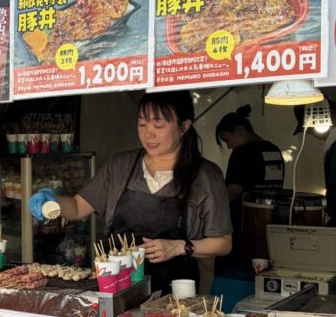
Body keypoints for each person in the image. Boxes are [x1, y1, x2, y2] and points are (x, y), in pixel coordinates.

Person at [28, 90, 233, 295]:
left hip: (177, 292)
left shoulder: (206, 176)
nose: (148, 134)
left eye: (158, 125)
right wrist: (51, 200)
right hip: (118, 289)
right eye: (142, 124)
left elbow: (223, 244)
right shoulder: (120, 165)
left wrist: (180, 247)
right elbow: (78, 207)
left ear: (184, 126)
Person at [215, 105, 284, 272]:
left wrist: (214, 207)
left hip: (243, 225)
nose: (229, 146)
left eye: (227, 140)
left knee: (234, 271)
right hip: (273, 222)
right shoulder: (274, 149)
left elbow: (233, 190)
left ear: (239, 130)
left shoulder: (242, 153)